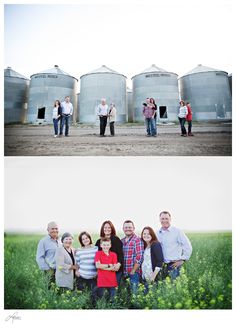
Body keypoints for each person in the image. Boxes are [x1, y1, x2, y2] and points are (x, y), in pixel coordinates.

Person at [156, 211, 192, 280]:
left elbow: (187, 245)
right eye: (162, 218)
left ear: (170, 219)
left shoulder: (177, 231)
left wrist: (183, 259)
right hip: (162, 265)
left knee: (173, 287)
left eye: (166, 218)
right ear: (159, 220)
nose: (164, 220)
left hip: (174, 265)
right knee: (163, 287)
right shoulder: (157, 233)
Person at [95, 220, 124, 285]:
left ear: (112, 229)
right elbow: (96, 256)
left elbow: (120, 254)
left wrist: (118, 265)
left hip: (115, 270)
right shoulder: (99, 241)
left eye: (109, 227)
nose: (107, 229)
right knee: (103, 292)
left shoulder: (116, 240)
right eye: (105, 227)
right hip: (103, 271)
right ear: (102, 229)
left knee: (113, 290)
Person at [121, 220, 144, 294]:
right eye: (126, 227)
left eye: (130, 227)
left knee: (135, 294)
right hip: (124, 273)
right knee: (126, 295)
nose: (128, 229)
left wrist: (133, 270)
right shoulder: (122, 241)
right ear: (123, 229)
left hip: (134, 273)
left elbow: (139, 256)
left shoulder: (137, 239)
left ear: (133, 228)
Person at [36, 221, 60, 288]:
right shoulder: (43, 241)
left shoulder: (60, 240)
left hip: (61, 270)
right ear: (48, 230)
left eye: (56, 228)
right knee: (50, 290)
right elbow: (39, 257)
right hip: (50, 271)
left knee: (60, 291)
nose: (55, 230)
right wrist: (48, 270)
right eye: (52, 228)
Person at [141, 226, 164, 293]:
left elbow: (160, 261)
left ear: (152, 235)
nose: (146, 235)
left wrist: (153, 276)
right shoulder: (145, 245)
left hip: (152, 276)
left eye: (148, 234)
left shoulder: (155, 244)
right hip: (145, 276)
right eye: (144, 234)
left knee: (153, 295)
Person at [95, 237, 118, 302]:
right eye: (104, 245)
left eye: (108, 245)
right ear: (101, 245)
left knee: (112, 300)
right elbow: (97, 266)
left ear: (110, 245)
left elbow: (115, 269)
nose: (106, 246)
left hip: (112, 281)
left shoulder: (114, 255)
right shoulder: (98, 253)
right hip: (102, 281)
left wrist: (102, 267)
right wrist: (109, 265)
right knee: (101, 300)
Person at [75, 231, 98, 296]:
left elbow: (100, 261)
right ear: (81, 241)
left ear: (90, 238)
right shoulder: (79, 251)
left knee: (93, 296)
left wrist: (97, 272)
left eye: (86, 238)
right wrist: (76, 271)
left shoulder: (96, 249)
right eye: (83, 239)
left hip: (93, 278)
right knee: (82, 297)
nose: (85, 240)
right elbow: (77, 263)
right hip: (81, 277)